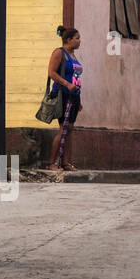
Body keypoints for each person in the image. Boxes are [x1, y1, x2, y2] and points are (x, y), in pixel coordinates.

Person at [47, 25, 83, 171]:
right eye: (77, 38)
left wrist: (79, 100)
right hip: (63, 95)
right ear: (68, 39)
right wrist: (67, 85)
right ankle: (52, 163)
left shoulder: (73, 56)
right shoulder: (59, 53)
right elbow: (51, 72)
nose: (79, 41)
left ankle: (65, 162)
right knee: (63, 129)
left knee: (70, 129)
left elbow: (76, 77)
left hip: (74, 96)